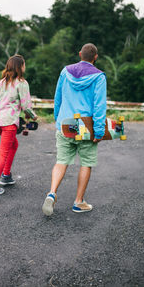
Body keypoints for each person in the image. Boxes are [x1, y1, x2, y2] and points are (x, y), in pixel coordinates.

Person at [42, 43, 107, 215]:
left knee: (61, 161)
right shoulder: (99, 77)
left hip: (66, 123)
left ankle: (52, 192)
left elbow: (58, 97)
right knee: (86, 162)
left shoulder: (65, 71)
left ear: (80, 54)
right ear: (95, 57)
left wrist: (58, 119)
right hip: (85, 125)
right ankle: (78, 202)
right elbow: (99, 105)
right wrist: (99, 131)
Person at [0, 54, 37, 196]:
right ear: (20, 66)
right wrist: (33, 116)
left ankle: (6, 176)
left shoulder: (1, 83)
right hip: (9, 121)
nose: (25, 67)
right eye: (24, 64)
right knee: (3, 153)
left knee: (13, 145)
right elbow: (26, 105)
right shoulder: (21, 82)